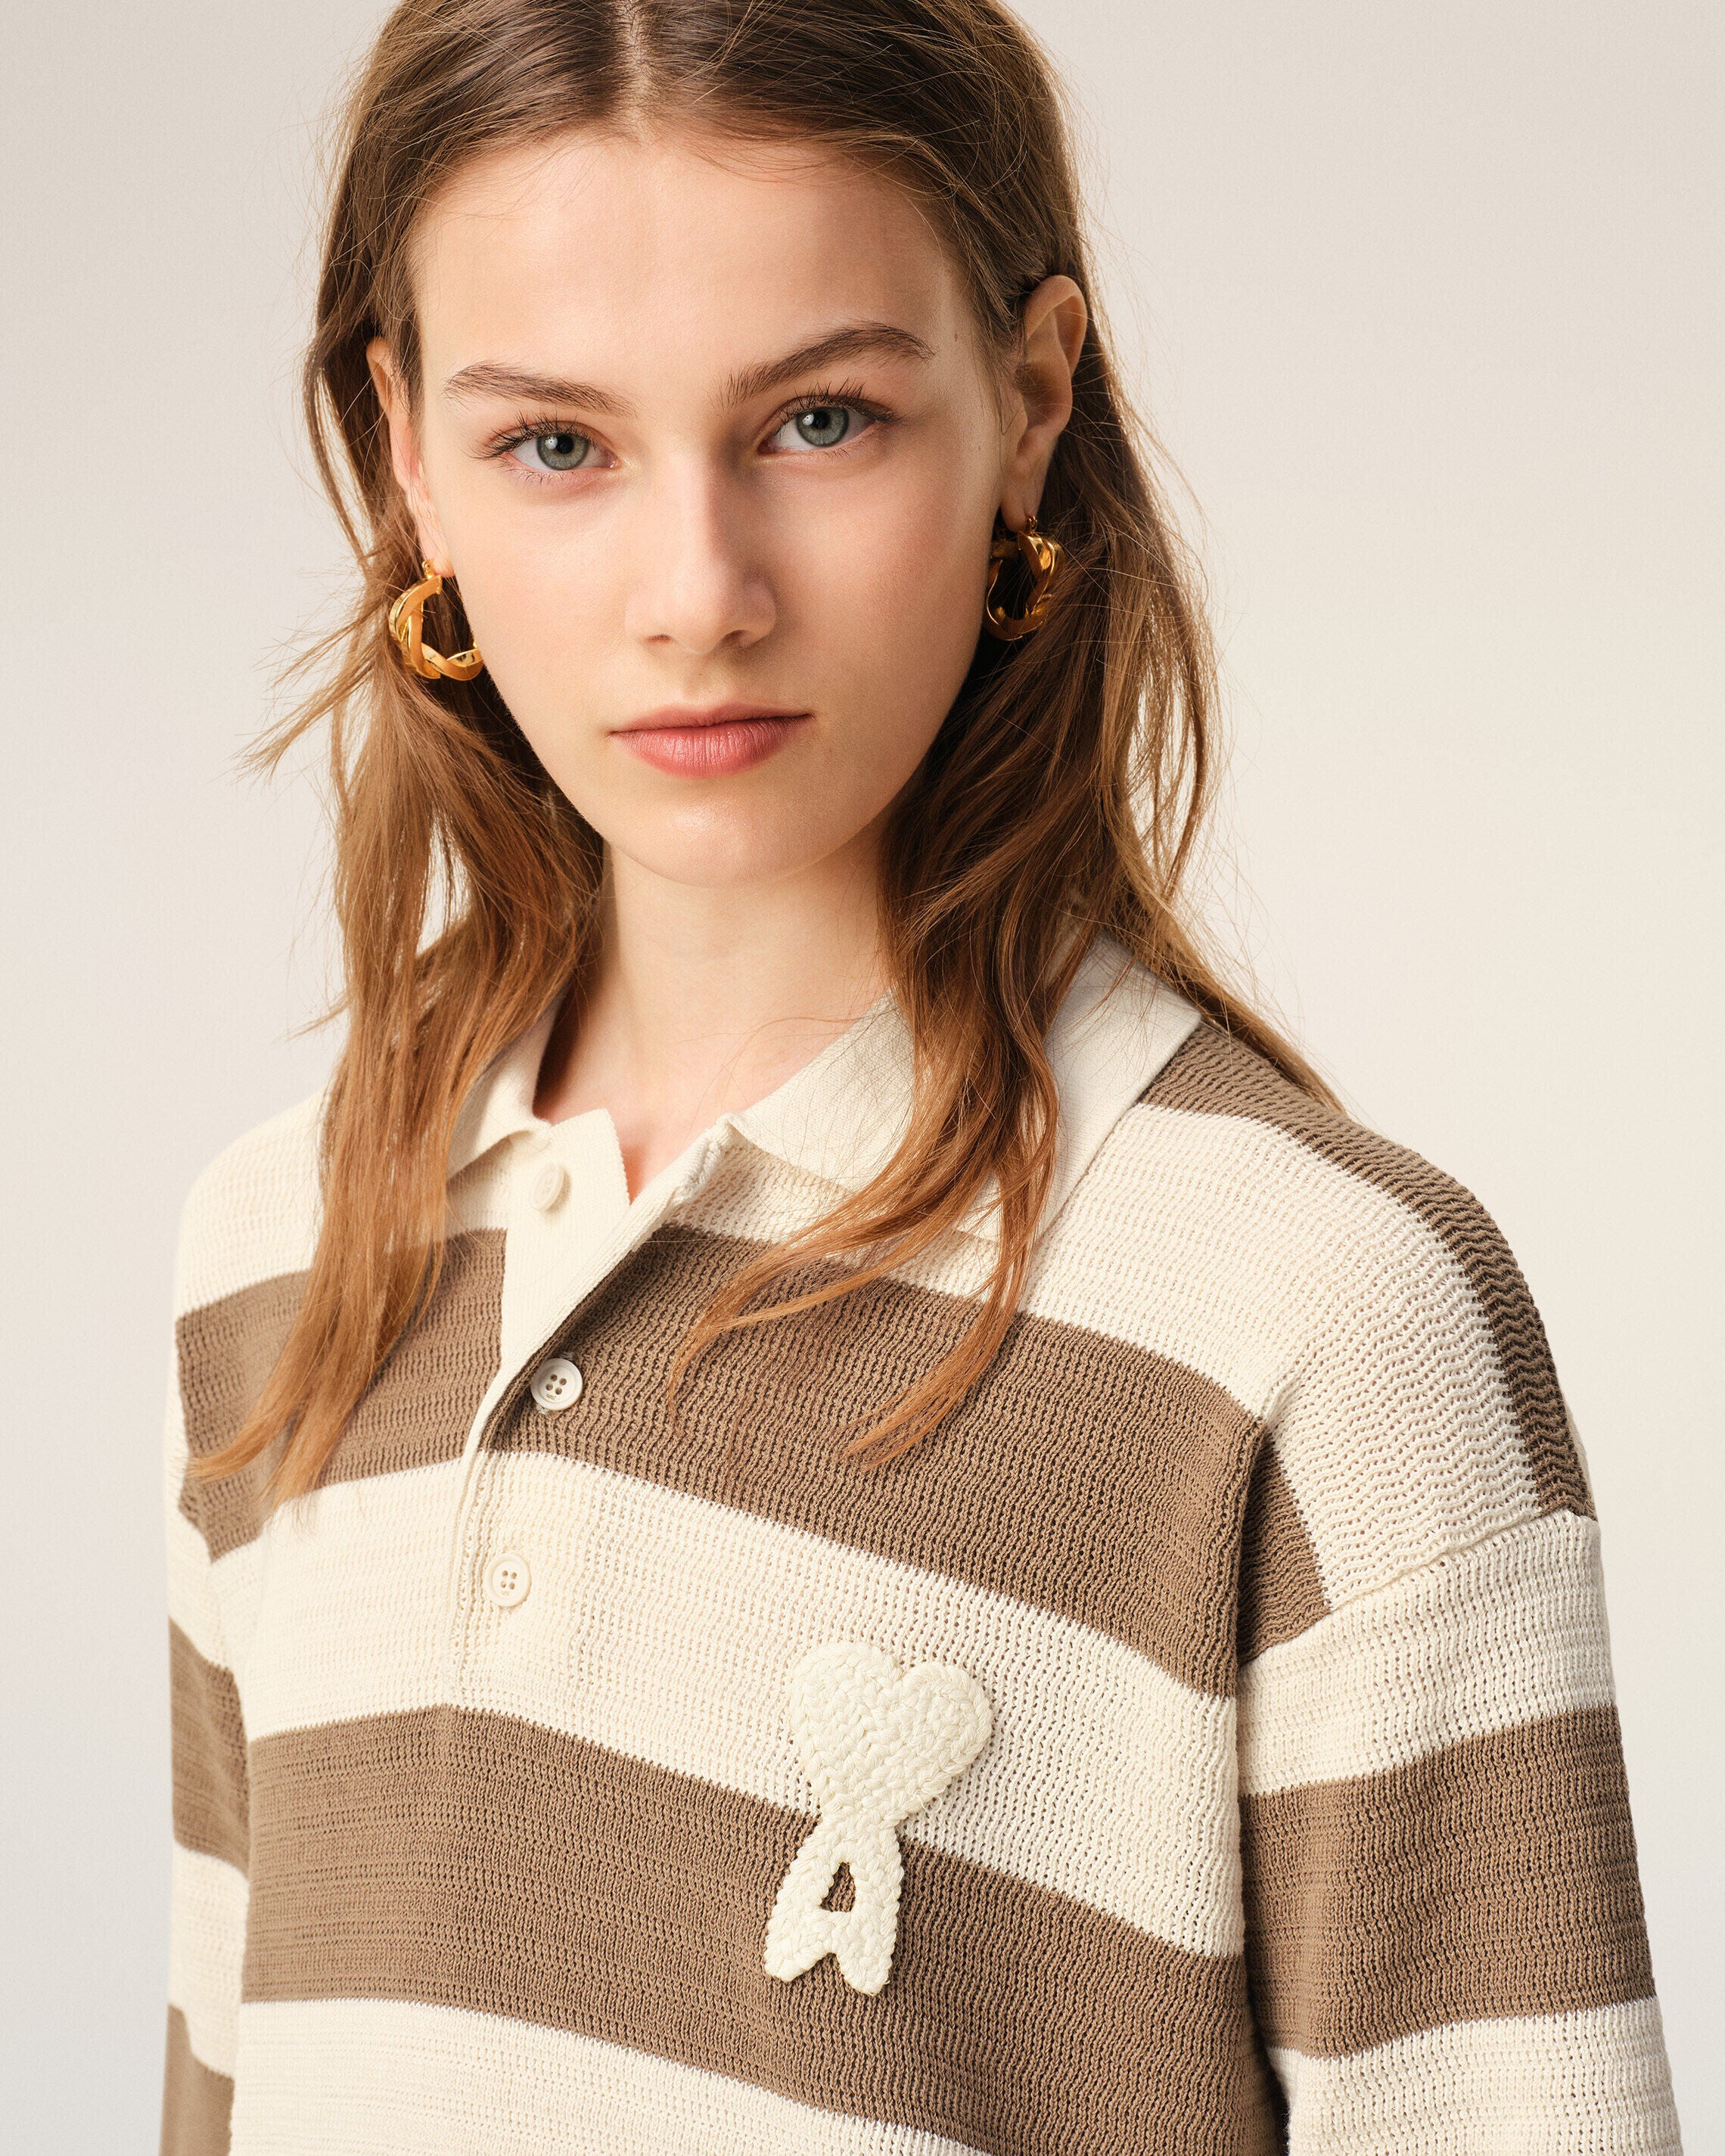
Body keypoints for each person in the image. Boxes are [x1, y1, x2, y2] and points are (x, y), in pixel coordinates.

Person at [160, 2, 1682, 2151]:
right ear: (409, 452)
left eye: (820, 422)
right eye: (558, 447)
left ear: (1032, 399)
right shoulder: (283, 1254)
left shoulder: (1319, 1319)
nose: (699, 595)